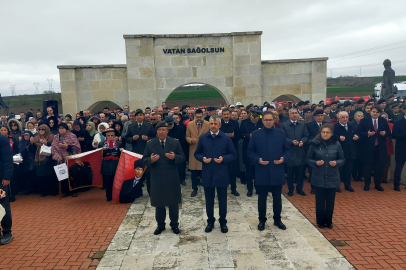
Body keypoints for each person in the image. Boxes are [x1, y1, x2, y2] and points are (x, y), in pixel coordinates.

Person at [247, 111, 290, 231]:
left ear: (274, 120)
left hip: (277, 170)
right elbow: (250, 152)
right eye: (266, 120)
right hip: (262, 170)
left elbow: (287, 150)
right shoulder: (256, 134)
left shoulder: (281, 133)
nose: (268, 122)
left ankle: (277, 219)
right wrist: (258, 160)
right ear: (262, 121)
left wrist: (283, 158)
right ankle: (262, 220)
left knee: (277, 198)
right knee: (262, 198)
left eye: (270, 120)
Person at [194, 115, 237, 234]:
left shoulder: (226, 138)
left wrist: (223, 158)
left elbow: (233, 154)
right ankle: (210, 221)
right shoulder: (203, 138)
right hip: (208, 173)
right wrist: (202, 158)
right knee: (209, 200)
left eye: (215, 124)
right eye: (211, 124)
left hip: (221, 173)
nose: (213, 126)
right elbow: (196, 154)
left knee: (222, 200)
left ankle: (223, 221)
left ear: (219, 125)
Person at [143, 121, 185, 235]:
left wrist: (174, 157)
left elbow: (182, 157)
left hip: (172, 177)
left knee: (173, 203)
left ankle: (174, 224)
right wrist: (151, 160)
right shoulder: (150, 144)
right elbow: (144, 159)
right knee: (159, 203)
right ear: (156, 132)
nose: (161, 132)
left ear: (167, 131)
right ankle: (160, 225)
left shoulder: (174, 142)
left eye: (163, 130)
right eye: (159, 130)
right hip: (157, 177)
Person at [307, 123, 345, 229]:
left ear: (331, 133)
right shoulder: (314, 144)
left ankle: (329, 221)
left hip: (332, 176)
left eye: (327, 132)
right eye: (323, 132)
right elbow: (308, 159)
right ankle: (320, 222)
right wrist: (315, 163)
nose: (325, 134)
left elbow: (342, 159)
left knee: (330, 202)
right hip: (318, 176)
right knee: (319, 202)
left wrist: (336, 163)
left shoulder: (336, 144)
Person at [358, 105, 391, 191]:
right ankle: (367, 184)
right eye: (373, 112)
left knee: (378, 168)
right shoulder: (364, 120)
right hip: (368, 148)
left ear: (379, 113)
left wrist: (385, 133)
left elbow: (388, 132)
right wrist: (367, 134)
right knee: (367, 167)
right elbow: (359, 133)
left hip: (379, 148)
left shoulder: (383, 121)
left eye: (377, 112)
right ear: (370, 112)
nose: (375, 113)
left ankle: (377, 184)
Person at [281, 108, 309, 196]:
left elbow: (306, 135)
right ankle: (290, 189)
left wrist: (302, 141)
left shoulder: (302, 124)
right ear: (289, 115)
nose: (294, 114)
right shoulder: (284, 125)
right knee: (290, 174)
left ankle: (299, 188)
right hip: (290, 153)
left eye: (296, 113)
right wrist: (291, 141)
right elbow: (283, 137)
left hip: (300, 152)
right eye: (292, 113)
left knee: (300, 173)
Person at [51, 123, 81, 197]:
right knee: (63, 176)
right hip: (60, 159)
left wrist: (67, 147)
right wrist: (57, 156)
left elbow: (77, 148)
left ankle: (74, 190)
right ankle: (65, 191)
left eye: (63, 128)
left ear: (66, 128)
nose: (61, 129)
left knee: (72, 175)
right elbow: (53, 148)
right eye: (60, 128)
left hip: (70, 159)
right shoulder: (56, 137)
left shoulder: (72, 136)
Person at [186, 109, 210, 197]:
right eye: (197, 117)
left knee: (205, 171)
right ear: (194, 117)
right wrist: (190, 140)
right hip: (194, 149)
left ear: (203, 116)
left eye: (200, 117)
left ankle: (206, 188)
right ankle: (194, 188)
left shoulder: (208, 124)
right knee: (194, 172)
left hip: (205, 150)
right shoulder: (190, 124)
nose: (199, 118)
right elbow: (187, 136)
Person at [240, 109, 263, 197]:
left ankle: (258, 188)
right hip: (248, 149)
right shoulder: (244, 123)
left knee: (258, 172)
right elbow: (240, 134)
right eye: (253, 118)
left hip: (259, 150)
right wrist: (247, 136)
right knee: (249, 172)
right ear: (250, 116)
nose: (255, 120)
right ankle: (250, 190)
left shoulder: (261, 123)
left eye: (257, 118)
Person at [29, 124, 57, 197]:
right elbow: (32, 150)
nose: (41, 131)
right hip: (39, 159)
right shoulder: (36, 138)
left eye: (43, 129)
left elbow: (55, 145)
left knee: (50, 176)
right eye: (40, 129)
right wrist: (31, 143)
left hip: (49, 158)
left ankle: (52, 190)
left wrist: (46, 143)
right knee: (41, 176)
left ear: (46, 130)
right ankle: (43, 191)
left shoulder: (52, 137)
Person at [334, 111, 358, 192]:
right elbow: (331, 139)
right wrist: (338, 138)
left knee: (348, 170)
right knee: (339, 170)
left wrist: (357, 137)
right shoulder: (335, 127)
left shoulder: (352, 126)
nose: (345, 119)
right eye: (343, 117)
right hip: (340, 153)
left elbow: (359, 136)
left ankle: (348, 185)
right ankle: (337, 186)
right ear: (339, 118)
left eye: (346, 117)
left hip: (351, 152)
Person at [219, 108, 240, 196]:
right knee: (222, 171)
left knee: (233, 170)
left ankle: (233, 188)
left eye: (228, 114)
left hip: (232, 148)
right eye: (225, 114)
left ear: (230, 115)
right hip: (222, 150)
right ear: (222, 115)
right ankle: (222, 189)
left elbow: (239, 135)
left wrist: (233, 136)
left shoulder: (235, 123)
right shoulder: (219, 124)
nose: (226, 116)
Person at [98, 128, 122, 201]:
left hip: (116, 164)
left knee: (117, 180)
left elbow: (121, 155)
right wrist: (101, 150)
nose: (110, 137)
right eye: (109, 135)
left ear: (114, 136)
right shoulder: (101, 144)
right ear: (106, 136)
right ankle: (109, 196)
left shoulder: (119, 143)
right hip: (106, 164)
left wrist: (121, 150)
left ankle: (117, 195)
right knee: (108, 181)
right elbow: (98, 155)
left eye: (112, 135)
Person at [0, 132, 14, 245]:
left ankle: (7, 232)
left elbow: (8, 159)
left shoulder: (2, 139)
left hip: (1, 178)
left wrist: (7, 176)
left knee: (3, 205)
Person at [166, 116, 187, 186]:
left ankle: (182, 179)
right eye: (168, 124)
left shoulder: (180, 128)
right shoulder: (165, 129)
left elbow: (183, 139)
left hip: (178, 149)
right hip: (168, 149)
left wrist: (176, 143)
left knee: (181, 165)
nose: (169, 126)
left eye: (170, 124)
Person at [0, 125, 19, 202]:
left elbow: (7, 157)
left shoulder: (4, 139)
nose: (3, 132)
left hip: (5, 168)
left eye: (5, 130)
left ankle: (12, 195)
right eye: (2, 130)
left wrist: (7, 176)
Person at [392, 104, 406, 191]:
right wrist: (404, 134)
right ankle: (396, 184)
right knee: (399, 167)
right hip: (401, 148)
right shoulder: (398, 122)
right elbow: (394, 135)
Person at [19, 130, 36, 195]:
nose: (26, 136)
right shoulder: (21, 142)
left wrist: (31, 143)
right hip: (24, 160)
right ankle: (28, 189)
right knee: (26, 175)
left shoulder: (32, 142)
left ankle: (34, 189)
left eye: (28, 135)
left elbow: (34, 150)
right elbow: (20, 151)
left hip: (31, 160)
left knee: (32, 174)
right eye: (25, 135)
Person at [351, 111, 364, 183]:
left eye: (361, 116)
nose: (360, 117)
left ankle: (360, 175)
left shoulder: (363, 124)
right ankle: (354, 175)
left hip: (362, 144)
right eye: (358, 116)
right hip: (355, 144)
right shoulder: (352, 124)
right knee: (355, 162)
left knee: (361, 161)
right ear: (355, 117)